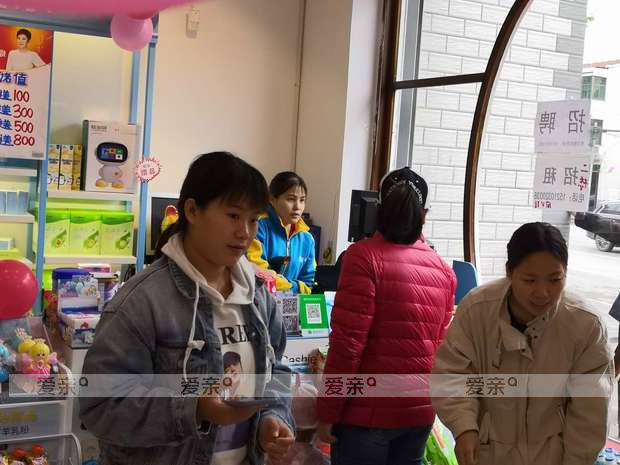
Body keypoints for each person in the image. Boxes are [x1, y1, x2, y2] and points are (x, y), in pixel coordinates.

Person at [80, 152, 294, 465]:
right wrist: (193, 409)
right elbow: (100, 406)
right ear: (192, 210)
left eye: (253, 220)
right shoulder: (142, 301)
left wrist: (272, 418)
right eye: (233, 216)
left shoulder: (258, 296)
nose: (245, 232)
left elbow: (277, 370)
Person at [432, 222, 614, 465]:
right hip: (488, 452)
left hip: (552, 456)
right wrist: (464, 427)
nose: (543, 293)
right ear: (509, 272)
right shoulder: (477, 310)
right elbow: (451, 374)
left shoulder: (585, 325)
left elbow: (590, 414)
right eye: (529, 280)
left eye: (555, 279)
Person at [315, 167, 457, 465]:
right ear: (424, 215)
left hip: (366, 415)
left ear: (378, 210)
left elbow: (348, 346)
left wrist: (328, 410)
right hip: (418, 414)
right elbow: (441, 351)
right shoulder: (444, 270)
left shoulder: (362, 257)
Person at [247, 171, 316, 294]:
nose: (297, 207)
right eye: (291, 199)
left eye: (302, 200)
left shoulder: (307, 239)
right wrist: (293, 286)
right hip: (260, 300)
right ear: (272, 199)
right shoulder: (257, 226)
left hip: (294, 304)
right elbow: (258, 272)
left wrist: (285, 287)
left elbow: (308, 283)